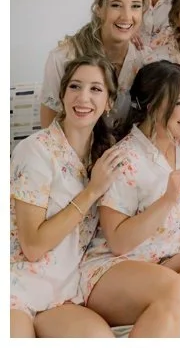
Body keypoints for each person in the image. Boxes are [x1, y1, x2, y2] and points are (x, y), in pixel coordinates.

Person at [80, 61, 180, 337]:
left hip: (163, 264)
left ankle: (155, 321)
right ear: (152, 107)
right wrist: (167, 201)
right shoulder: (124, 159)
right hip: (113, 269)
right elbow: (118, 242)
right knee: (174, 288)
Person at [10, 56, 128, 338]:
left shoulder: (105, 157)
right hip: (16, 282)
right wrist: (91, 191)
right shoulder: (35, 151)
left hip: (63, 291)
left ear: (109, 102)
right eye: (75, 86)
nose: (83, 97)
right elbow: (33, 246)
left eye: (96, 89)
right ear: (62, 95)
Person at [39, 0, 150, 131]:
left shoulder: (144, 59)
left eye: (135, 6)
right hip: (71, 152)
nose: (126, 16)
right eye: (116, 5)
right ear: (98, 8)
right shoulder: (63, 58)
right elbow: (49, 129)